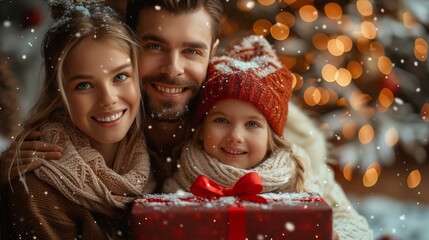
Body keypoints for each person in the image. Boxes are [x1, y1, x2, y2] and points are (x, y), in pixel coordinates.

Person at [1, 0, 372, 239]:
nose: (172, 69)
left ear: (211, 53)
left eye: (191, 51)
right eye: (156, 46)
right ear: (131, 46)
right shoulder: (100, 127)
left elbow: (348, 224)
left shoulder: (256, 130)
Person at [3, 1, 155, 239]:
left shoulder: (157, 148)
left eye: (121, 76)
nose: (108, 99)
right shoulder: (38, 188)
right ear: (60, 94)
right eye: (84, 85)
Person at [163, 35, 309, 195]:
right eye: (221, 120)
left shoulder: (298, 184)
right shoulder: (177, 184)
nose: (235, 136)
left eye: (252, 124)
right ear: (202, 130)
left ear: (271, 138)